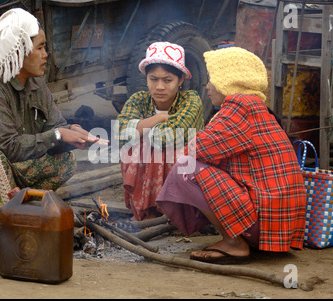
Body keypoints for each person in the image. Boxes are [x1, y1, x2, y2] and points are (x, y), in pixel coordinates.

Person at [0, 8, 107, 247]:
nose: (46, 54)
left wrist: (71, 135)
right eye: (40, 47)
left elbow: (57, 127)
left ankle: (4, 212)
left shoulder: (36, 84)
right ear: (19, 51)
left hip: (5, 168)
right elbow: (7, 147)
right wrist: (56, 134)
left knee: (66, 160)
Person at [156, 47, 307, 264]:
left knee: (185, 168)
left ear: (229, 81)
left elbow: (196, 149)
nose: (207, 86)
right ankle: (237, 238)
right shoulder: (255, 106)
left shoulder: (240, 106)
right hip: (278, 225)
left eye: (212, 79)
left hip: (263, 223)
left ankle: (234, 242)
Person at [114, 42, 204, 221]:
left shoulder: (191, 100)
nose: (160, 87)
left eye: (168, 80)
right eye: (153, 79)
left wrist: (141, 128)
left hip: (188, 169)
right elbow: (120, 132)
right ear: (146, 79)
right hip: (152, 155)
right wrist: (158, 119)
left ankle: (172, 210)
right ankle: (145, 209)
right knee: (133, 147)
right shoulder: (139, 99)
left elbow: (167, 137)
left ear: (180, 81)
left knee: (155, 145)